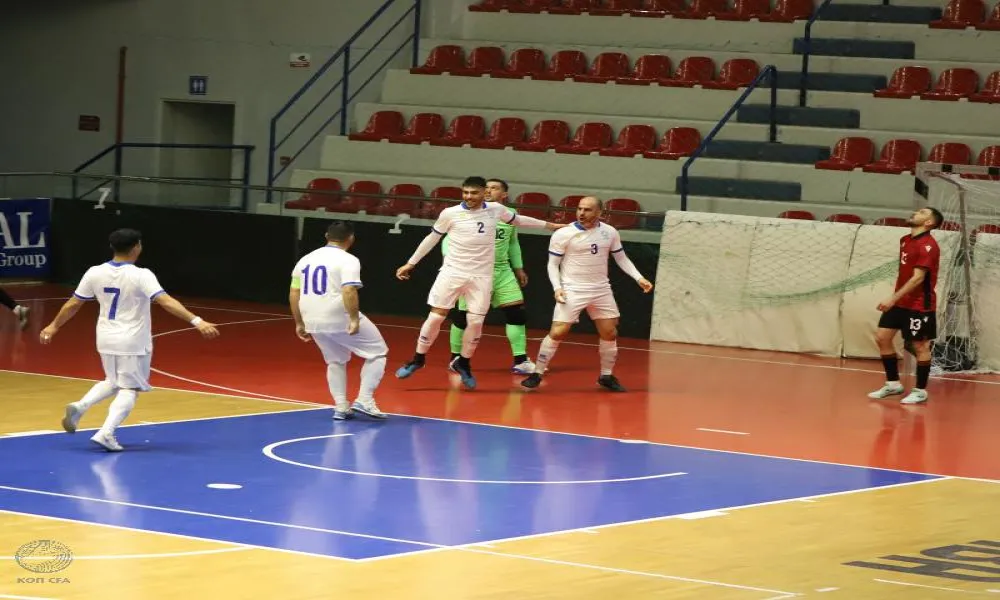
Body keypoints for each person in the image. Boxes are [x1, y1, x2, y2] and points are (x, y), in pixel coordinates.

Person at [39, 228, 220, 451]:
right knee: (129, 389)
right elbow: (165, 301)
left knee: (113, 381)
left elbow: (74, 304)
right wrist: (197, 321)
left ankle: (81, 405)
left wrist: (53, 326)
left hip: (105, 337)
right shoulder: (141, 275)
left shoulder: (94, 272)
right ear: (136, 247)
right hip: (133, 340)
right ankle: (106, 432)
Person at [394, 175, 563, 390]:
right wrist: (411, 263)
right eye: (465, 193)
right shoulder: (450, 213)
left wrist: (551, 225)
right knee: (436, 317)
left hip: (482, 276)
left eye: (474, 193)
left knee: (475, 322)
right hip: (452, 273)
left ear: (484, 193)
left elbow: (519, 220)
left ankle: (464, 363)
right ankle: (418, 359)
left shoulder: (496, 210)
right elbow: (432, 238)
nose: (469, 197)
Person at [521, 196, 653, 392]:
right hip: (572, 289)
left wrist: (638, 278)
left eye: (588, 210)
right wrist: (557, 288)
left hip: (601, 289)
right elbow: (552, 265)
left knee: (609, 332)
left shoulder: (610, 232)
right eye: (580, 209)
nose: (582, 213)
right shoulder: (563, 234)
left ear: (600, 212)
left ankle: (606, 376)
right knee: (558, 331)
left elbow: (621, 258)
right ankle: (537, 373)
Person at [289, 220, 388, 420]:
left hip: (311, 317)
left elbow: (294, 292)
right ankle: (365, 399)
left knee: (335, 360)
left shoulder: (306, 259)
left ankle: (341, 406)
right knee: (378, 352)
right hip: (336, 315)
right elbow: (349, 289)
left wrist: (299, 322)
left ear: (327, 236)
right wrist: (353, 318)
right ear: (351, 238)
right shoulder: (348, 259)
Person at [444, 178, 535, 375]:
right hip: (472, 270)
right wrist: (449, 262)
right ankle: (455, 358)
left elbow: (513, 243)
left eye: (494, 188)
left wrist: (518, 268)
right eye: (486, 188)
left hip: (502, 270)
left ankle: (520, 360)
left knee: (516, 312)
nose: (488, 191)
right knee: (463, 317)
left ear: (504, 195)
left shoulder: (509, 215)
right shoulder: (466, 213)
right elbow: (448, 240)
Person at [868, 206, 943, 405]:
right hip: (901, 300)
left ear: (929, 223)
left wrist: (892, 298)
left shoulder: (928, 246)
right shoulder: (905, 240)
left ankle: (920, 390)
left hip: (920, 304)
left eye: (922, 213)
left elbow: (918, 279)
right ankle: (893, 383)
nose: (915, 213)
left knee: (920, 345)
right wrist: (896, 298)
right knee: (882, 337)